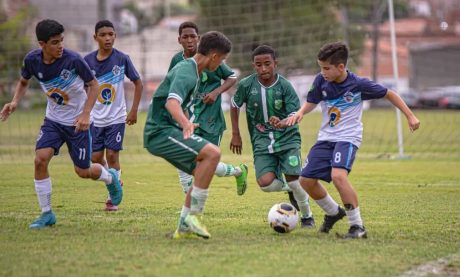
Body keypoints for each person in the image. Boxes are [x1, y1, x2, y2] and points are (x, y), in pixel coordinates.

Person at [276, 41, 420, 238]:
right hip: (326, 138)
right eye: (321, 67)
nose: (323, 72)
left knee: (338, 177)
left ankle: (357, 226)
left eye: (327, 68)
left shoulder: (358, 84)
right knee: (306, 180)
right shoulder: (321, 81)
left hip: (347, 138)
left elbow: (390, 94)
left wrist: (410, 116)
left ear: (341, 67)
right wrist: (300, 113)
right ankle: (334, 212)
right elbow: (311, 102)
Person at [0, 19, 123, 229]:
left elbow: (94, 85)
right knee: (40, 160)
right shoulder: (32, 60)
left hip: (78, 124)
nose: (60, 46)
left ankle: (110, 178)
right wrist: (14, 102)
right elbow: (23, 81)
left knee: (83, 172)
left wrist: (85, 114)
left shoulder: (73, 59)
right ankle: (47, 214)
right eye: (55, 42)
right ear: (42, 44)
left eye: (61, 41)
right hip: (53, 121)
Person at [144, 31, 232, 239]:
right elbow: (171, 102)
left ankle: (184, 227)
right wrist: (185, 124)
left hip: (166, 129)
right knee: (212, 153)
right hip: (159, 131)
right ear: (214, 57)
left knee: (203, 170)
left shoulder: (193, 70)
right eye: (222, 60)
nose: (221, 65)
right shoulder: (187, 71)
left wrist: (185, 121)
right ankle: (194, 216)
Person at [230, 45, 315, 228]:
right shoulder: (246, 84)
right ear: (253, 65)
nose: (263, 69)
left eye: (267, 64)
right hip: (261, 139)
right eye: (258, 65)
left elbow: (295, 115)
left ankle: (307, 216)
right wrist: (236, 134)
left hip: (287, 138)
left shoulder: (285, 86)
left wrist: (283, 122)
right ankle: (288, 187)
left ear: (275, 63)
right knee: (265, 183)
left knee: (295, 180)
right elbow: (234, 105)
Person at [168, 22, 248, 196]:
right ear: (179, 40)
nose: (189, 40)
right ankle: (188, 206)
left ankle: (238, 172)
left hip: (211, 120)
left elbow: (232, 77)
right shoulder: (177, 61)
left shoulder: (212, 58)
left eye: (192, 36)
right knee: (183, 158)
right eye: (185, 37)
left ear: (198, 38)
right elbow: (171, 85)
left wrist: (215, 92)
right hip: (188, 118)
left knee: (205, 164)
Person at [84, 20, 143, 211]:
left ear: (115, 36)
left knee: (112, 155)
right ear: (95, 38)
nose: (108, 38)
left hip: (117, 117)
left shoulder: (122, 58)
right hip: (94, 118)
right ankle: (114, 179)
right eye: (103, 35)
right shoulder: (87, 61)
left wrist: (133, 109)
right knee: (94, 159)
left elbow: (138, 83)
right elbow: (82, 87)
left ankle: (112, 198)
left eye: (111, 34)